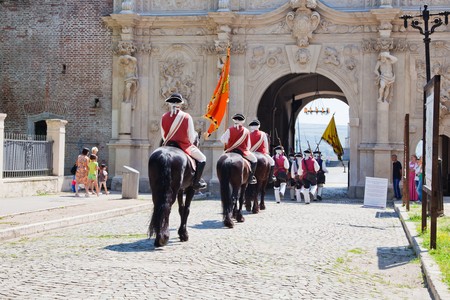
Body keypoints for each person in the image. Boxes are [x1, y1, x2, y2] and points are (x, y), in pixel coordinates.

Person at [161, 93, 207, 190]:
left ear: (169, 104)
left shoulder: (164, 116)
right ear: (180, 104)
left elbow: (163, 136)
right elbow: (191, 137)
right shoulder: (186, 116)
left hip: (168, 145)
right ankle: (196, 182)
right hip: (183, 145)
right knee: (202, 158)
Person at [220, 113, 257, 185]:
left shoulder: (229, 129)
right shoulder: (246, 131)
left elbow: (222, 140)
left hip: (230, 151)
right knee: (254, 160)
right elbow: (248, 146)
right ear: (242, 121)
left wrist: (229, 142)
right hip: (242, 151)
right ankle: (250, 177)